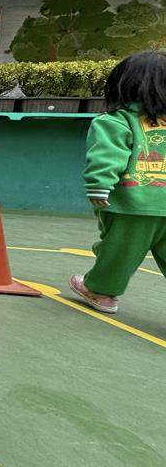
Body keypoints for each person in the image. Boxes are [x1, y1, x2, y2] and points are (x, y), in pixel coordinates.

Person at [69, 50, 166, 314]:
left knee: (119, 250)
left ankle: (100, 291)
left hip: (133, 206)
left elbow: (108, 154)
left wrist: (99, 184)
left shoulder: (117, 121)